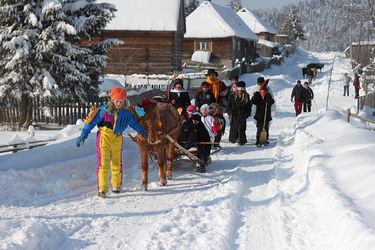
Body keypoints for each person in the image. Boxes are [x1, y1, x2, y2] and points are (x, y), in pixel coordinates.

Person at [75, 87, 147, 198]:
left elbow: (135, 124)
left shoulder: (126, 113)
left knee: (116, 163)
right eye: (117, 101)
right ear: (112, 99)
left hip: (117, 138)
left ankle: (116, 185)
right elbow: (90, 124)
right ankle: (102, 188)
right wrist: (83, 135)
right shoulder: (103, 111)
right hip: (104, 138)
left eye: (121, 101)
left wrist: (142, 132)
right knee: (103, 164)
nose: (119, 103)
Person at [227, 81, 252, 145]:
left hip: (242, 113)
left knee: (241, 127)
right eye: (239, 88)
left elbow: (249, 106)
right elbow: (229, 105)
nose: (240, 90)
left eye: (242, 88)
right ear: (237, 88)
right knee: (234, 126)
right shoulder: (232, 95)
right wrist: (230, 112)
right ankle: (233, 139)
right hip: (234, 113)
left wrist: (247, 114)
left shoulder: (246, 96)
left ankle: (241, 140)